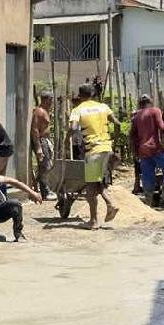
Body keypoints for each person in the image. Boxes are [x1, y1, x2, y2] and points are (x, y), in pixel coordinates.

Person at [69, 84, 120, 228]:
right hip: (107, 149)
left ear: (80, 95)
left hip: (93, 151)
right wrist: (113, 141)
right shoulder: (103, 107)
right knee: (99, 182)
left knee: (90, 187)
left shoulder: (77, 109)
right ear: (93, 94)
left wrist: (69, 137)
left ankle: (94, 221)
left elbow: (73, 128)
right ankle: (110, 205)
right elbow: (116, 123)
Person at [31, 92, 56, 200]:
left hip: (45, 140)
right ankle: (45, 192)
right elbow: (35, 129)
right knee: (45, 166)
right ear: (46, 99)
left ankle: (44, 188)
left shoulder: (45, 111)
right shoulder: (39, 112)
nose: (52, 102)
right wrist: (38, 147)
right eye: (51, 100)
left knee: (47, 166)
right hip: (41, 141)